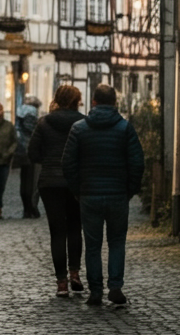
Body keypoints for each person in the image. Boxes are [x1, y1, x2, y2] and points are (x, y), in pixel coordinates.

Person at [61, 84, 144, 306]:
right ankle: (115, 287)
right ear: (115, 103)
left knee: (93, 245)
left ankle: (96, 290)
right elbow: (137, 162)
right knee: (117, 242)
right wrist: (130, 190)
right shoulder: (125, 128)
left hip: (89, 195)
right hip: (118, 194)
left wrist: (78, 190)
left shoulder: (79, 129)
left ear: (94, 102)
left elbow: (67, 163)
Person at [27, 85, 85, 296]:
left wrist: (50, 161)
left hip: (50, 183)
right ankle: (75, 274)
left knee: (57, 232)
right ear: (76, 101)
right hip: (75, 182)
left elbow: (32, 153)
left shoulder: (44, 123)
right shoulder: (83, 122)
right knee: (75, 228)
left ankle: (61, 283)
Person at [13, 95, 42, 218]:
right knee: (32, 182)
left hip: (20, 150)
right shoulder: (31, 113)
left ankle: (26, 208)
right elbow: (31, 130)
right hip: (31, 150)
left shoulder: (20, 112)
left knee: (24, 181)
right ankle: (30, 208)